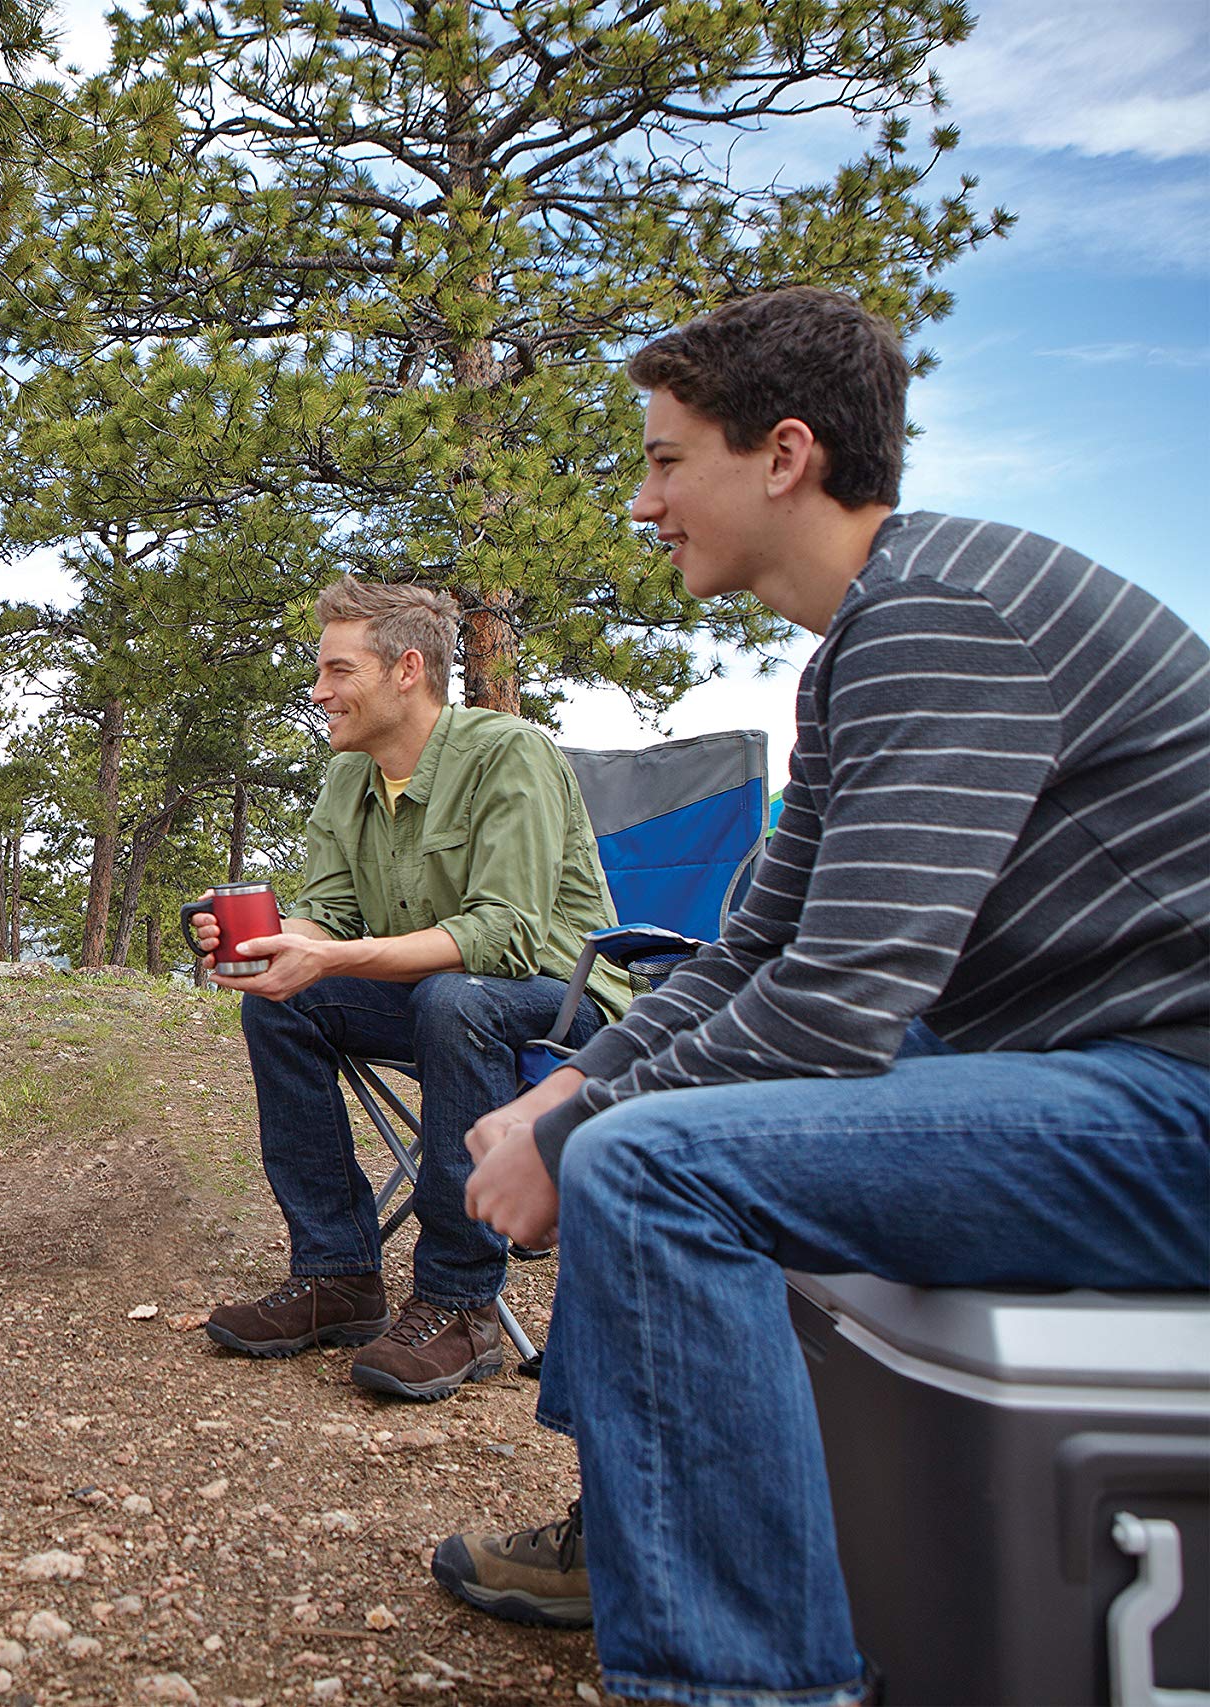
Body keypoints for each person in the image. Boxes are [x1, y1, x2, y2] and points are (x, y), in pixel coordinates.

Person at [436, 287, 1210, 1703]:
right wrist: (569, 1082)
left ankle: (739, 1677)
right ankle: (638, 1529)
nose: (640, 500)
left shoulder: (938, 618)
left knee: (654, 1163)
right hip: (1085, 1064)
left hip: (1176, 1102)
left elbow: (842, 1004)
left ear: (782, 454)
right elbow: (754, 955)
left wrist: (580, 1129)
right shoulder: (867, 647)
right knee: (618, 1118)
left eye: (669, 460)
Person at [191, 580, 632, 1399]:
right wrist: (282, 944)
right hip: (438, 995)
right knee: (284, 1000)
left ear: (407, 669)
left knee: (454, 998)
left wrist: (339, 954)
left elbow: (504, 937)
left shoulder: (510, 754)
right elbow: (326, 914)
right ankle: (338, 1275)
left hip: (562, 1003)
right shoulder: (347, 778)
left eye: (337, 670)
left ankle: (460, 1301)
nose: (318, 692)